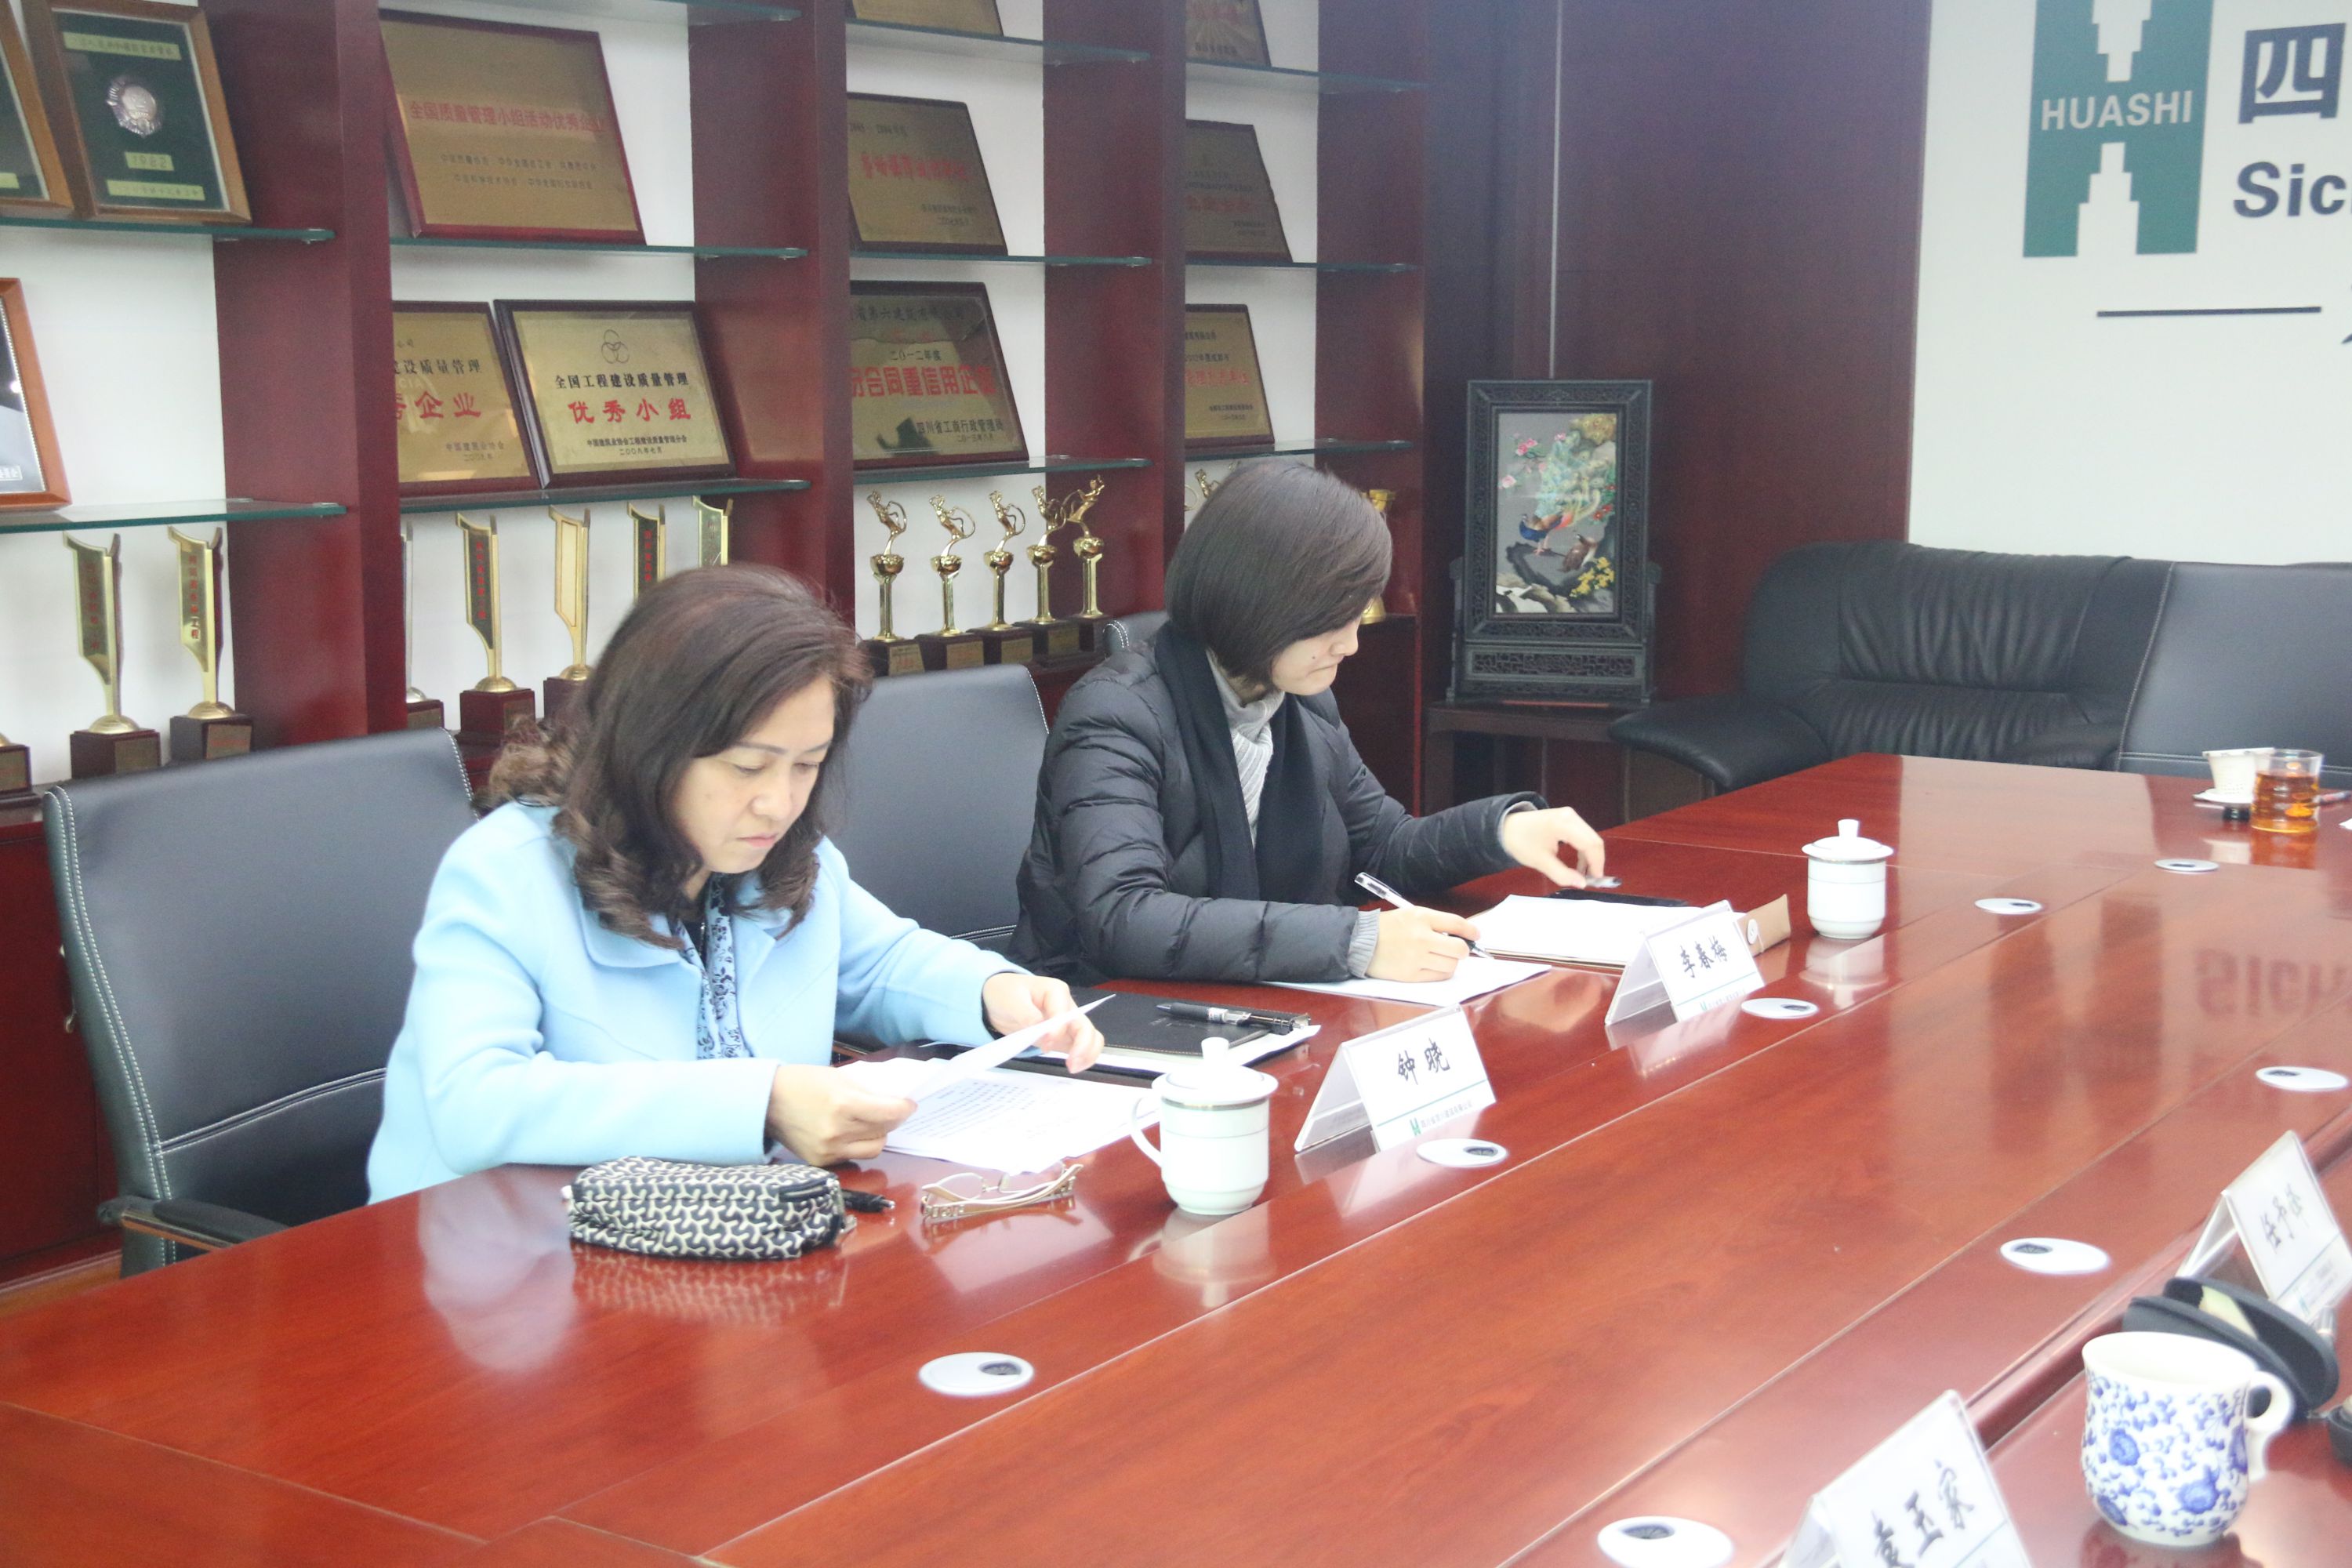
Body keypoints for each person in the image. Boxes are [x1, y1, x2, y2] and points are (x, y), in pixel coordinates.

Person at [368, 565, 1104, 1202]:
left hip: (724, 1239)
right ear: (651, 744)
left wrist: (993, 993)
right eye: (748, 767)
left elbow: (879, 964)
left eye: (807, 765)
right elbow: (475, 1103)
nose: (779, 804)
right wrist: (763, 1102)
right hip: (500, 1261)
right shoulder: (507, 870)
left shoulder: (784, 854)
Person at [1011, 462, 1606, 985]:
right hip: (1105, 1016)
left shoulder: (1300, 703)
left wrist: (1500, 831)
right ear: (1258, 604)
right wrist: (1353, 941)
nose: (1350, 644)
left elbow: (1383, 848)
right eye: (1330, 621)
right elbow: (1124, 918)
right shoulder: (1116, 714)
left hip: (1263, 1000)